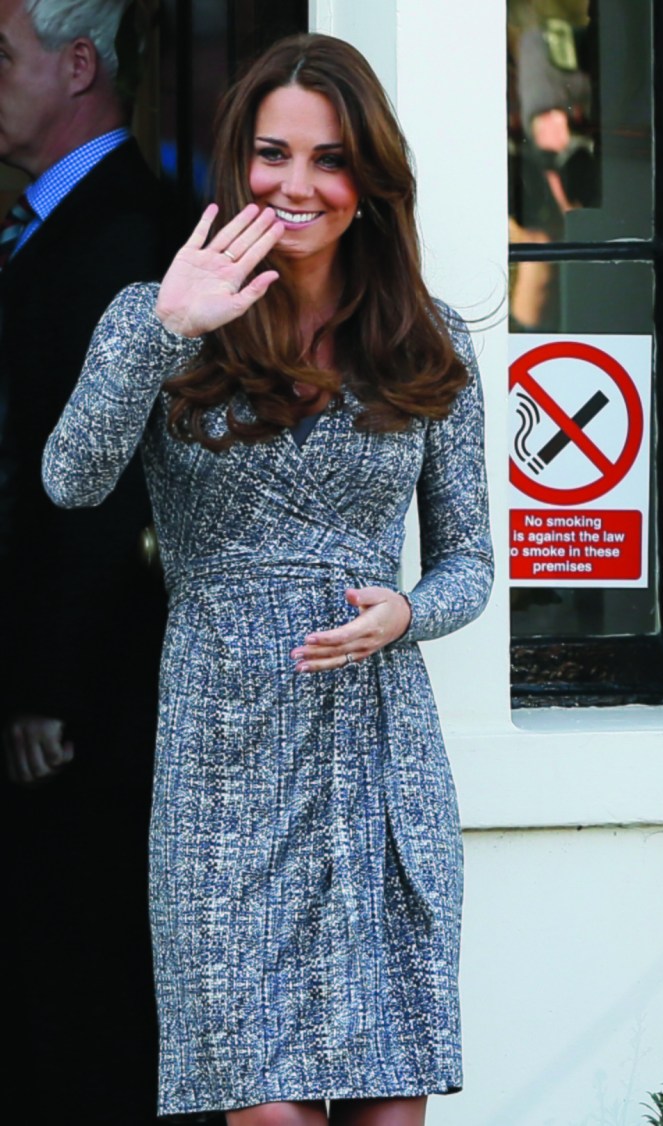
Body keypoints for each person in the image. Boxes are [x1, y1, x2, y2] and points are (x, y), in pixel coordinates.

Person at [43, 32, 493, 1126]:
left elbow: (472, 560)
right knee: (267, 1106)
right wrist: (161, 329)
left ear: (368, 182)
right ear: (237, 159)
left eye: (329, 159)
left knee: (389, 1104)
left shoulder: (429, 343)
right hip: (224, 761)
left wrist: (407, 612)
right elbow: (69, 480)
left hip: (377, 758)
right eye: (272, 154)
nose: (296, 185)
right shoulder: (158, 319)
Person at [0, 1, 177, 1122]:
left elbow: (105, 487)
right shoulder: (52, 224)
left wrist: (48, 689)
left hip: (90, 711)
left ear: (77, 66)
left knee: (74, 987)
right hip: (67, 694)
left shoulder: (124, 233)